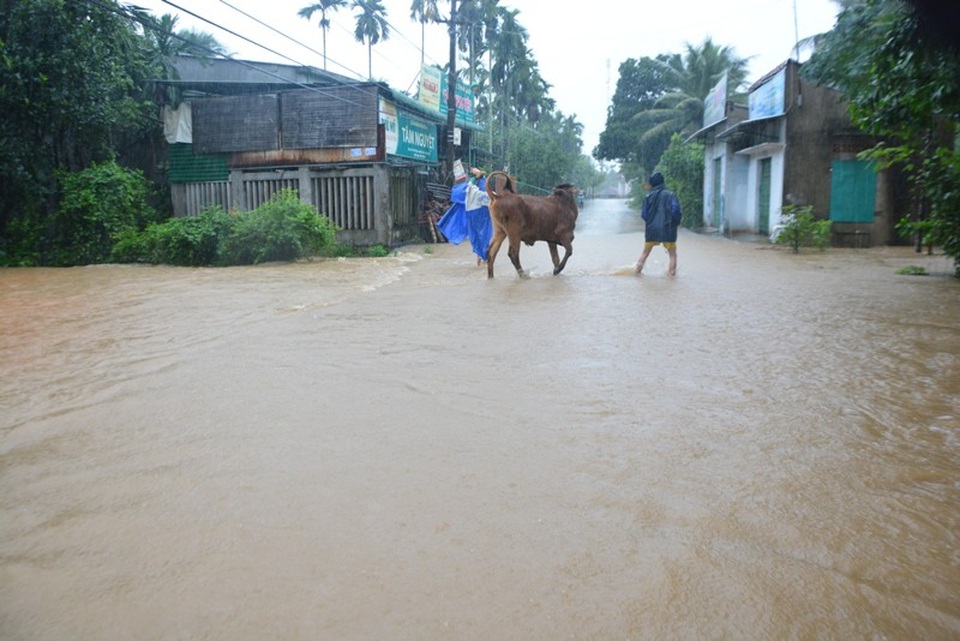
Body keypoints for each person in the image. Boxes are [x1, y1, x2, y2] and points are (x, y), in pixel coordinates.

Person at [436, 167, 492, 266]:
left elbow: (466, 188)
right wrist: (478, 176)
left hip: (475, 215)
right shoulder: (483, 192)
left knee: (477, 237)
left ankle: (481, 258)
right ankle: (483, 258)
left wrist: (476, 177)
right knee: (483, 237)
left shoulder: (471, 190)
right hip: (482, 215)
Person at [635, 172, 682, 276]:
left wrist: (651, 223)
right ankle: (671, 277)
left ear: (652, 184)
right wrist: (675, 223)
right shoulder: (671, 195)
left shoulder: (648, 196)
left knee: (645, 253)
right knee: (673, 255)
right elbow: (676, 211)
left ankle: (637, 273)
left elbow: (644, 214)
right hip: (668, 228)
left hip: (652, 229)